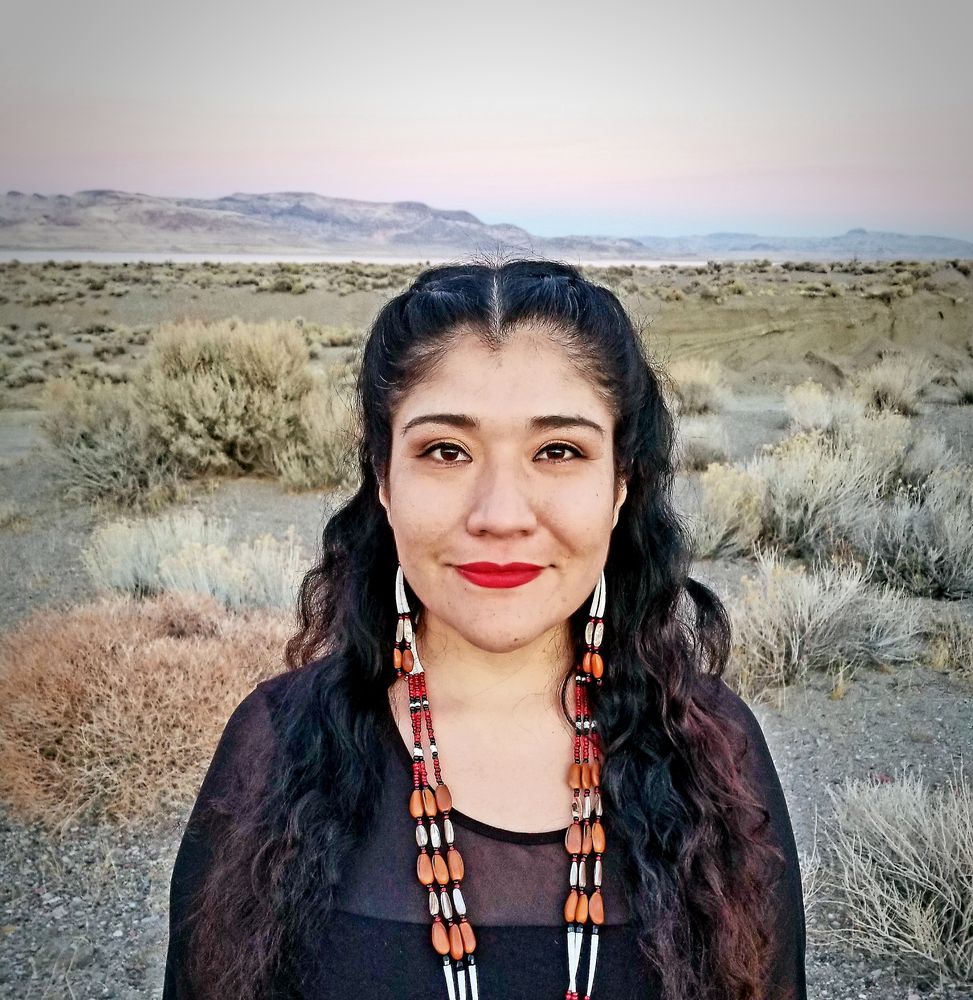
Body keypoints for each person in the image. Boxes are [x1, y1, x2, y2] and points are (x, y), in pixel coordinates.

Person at [163, 257, 807, 1000]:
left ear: (621, 484)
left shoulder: (712, 752)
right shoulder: (274, 747)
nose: (500, 514)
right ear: (383, 477)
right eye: (446, 450)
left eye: (558, 451)